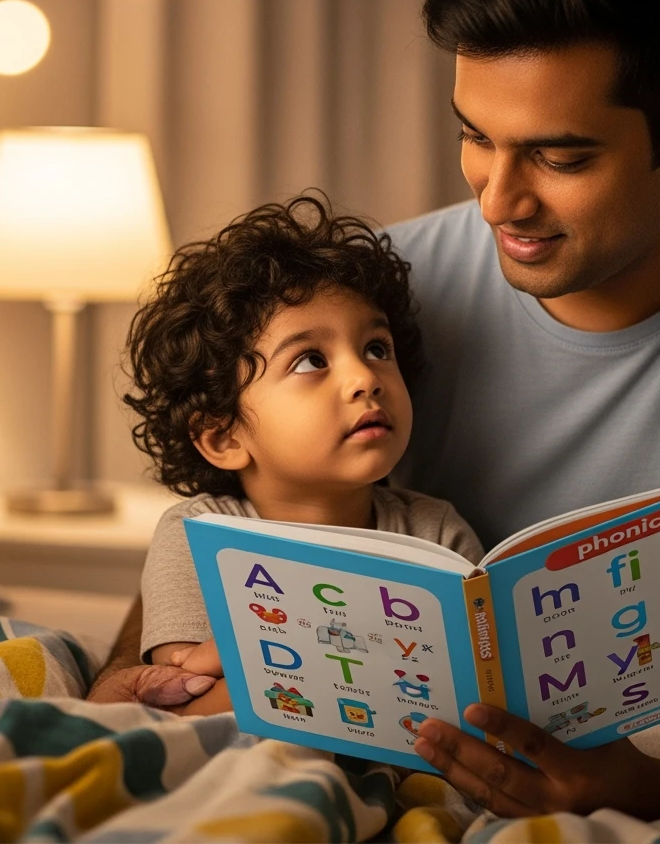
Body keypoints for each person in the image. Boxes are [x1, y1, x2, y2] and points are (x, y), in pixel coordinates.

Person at [89, 0, 660, 816]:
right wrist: (130, 675)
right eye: (476, 137)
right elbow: (218, 538)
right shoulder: (377, 297)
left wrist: (654, 789)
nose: (499, 199)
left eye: (559, 156)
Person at [113, 195, 483, 715]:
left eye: (377, 348)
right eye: (311, 360)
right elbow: (190, 691)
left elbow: (473, 690)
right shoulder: (198, 537)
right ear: (224, 437)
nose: (364, 379)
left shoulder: (438, 534)